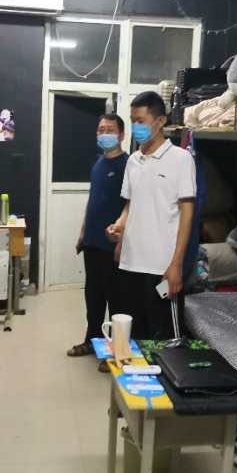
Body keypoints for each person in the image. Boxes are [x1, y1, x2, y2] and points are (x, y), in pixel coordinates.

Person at [106, 92, 196, 340]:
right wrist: (119, 226)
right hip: (130, 263)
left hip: (162, 268)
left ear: (160, 121)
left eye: (141, 121)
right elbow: (130, 205)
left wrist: (176, 264)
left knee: (164, 339)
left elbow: (187, 213)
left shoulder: (181, 159)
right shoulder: (133, 161)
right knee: (134, 336)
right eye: (132, 121)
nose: (136, 127)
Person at [66, 114, 128, 373]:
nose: (103, 134)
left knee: (116, 299)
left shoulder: (128, 165)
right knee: (93, 297)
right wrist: (83, 233)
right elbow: (93, 203)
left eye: (109, 130)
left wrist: (122, 239)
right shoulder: (98, 164)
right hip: (92, 242)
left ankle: (116, 351)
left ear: (121, 135)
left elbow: (131, 206)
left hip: (113, 245)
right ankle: (92, 341)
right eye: (100, 130)